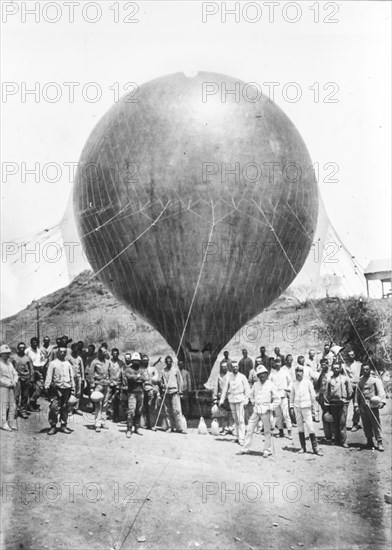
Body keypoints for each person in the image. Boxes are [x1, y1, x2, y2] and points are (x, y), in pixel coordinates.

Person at [242, 365, 279, 457]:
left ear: (267, 374)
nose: (261, 376)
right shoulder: (256, 384)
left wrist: (270, 406)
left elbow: (277, 399)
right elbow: (250, 394)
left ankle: (267, 450)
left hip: (266, 410)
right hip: (257, 409)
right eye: (259, 375)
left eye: (263, 374)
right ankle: (245, 448)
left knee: (267, 431)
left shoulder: (271, 385)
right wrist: (252, 401)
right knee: (250, 428)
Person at [290, 365, 322, 456]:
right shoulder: (294, 383)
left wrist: (311, 406)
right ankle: (303, 447)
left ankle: (315, 448)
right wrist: (291, 407)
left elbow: (313, 395)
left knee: (310, 427)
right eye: (297, 372)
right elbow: (291, 396)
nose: (298, 373)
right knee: (300, 427)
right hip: (297, 407)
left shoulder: (308, 382)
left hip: (306, 407)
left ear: (303, 373)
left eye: (300, 371)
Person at [355, 365, 386, 451]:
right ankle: (369, 441)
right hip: (363, 406)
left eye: (367, 369)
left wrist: (382, 402)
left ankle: (379, 442)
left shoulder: (375, 380)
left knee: (375, 423)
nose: (365, 371)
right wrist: (356, 405)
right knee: (366, 424)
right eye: (363, 369)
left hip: (373, 405)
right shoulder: (360, 380)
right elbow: (357, 394)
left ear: (370, 370)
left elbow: (381, 391)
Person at [44, 347, 75, 435]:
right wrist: (47, 386)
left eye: (64, 352)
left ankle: (63, 426)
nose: (62, 353)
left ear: (66, 353)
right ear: (58, 353)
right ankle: (53, 426)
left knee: (65, 408)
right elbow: (49, 375)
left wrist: (73, 389)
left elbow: (72, 376)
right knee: (54, 407)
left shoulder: (68, 364)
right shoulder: (53, 363)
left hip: (67, 388)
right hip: (56, 389)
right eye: (60, 352)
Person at [219, 360, 250, 446]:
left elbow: (247, 389)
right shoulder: (229, 377)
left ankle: (242, 439)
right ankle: (238, 437)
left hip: (240, 400)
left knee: (241, 419)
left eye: (236, 367)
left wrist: (246, 400)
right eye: (233, 367)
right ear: (231, 368)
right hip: (232, 399)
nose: (235, 368)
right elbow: (225, 390)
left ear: (238, 367)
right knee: (235, 419)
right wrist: (221, 400)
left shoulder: (242, 377)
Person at [326, 361, 353, 448]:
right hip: (333, 403)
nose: (336, 370)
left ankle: (343, 440)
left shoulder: (345, 378)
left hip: (343, 403)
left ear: (340, 368)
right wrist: (328, 401)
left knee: (342, 422)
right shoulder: (330, 379)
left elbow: (350, 390)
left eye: (338, 368)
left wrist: (347, 399)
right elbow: (327, 391)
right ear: (332, 369)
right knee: (335, 422)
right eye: (334, 368)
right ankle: (336, 439)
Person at [123, 352, 148, 438]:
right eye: (134, 360)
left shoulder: (142, 369)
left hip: (141, 392)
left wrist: (136, 378)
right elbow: (128, 377)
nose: (136, 362)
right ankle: (129, 429)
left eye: (137, 361)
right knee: (131, 411)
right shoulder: (128, 369)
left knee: (139, 410)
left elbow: (145, 378)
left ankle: (137, 427)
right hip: (132, 393)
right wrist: (138, 377)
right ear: (132, 361)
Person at [160, 356, 186, 433]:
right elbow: (161, 381)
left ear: (172, 362)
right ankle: (170, 427)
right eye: (167, 361)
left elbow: (180, 381)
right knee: (167, 411)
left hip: (174, 391)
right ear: (165, 362)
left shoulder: (175, 370)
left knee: (176, 410)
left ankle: (179, 427)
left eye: (169, 361)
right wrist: (162, 386)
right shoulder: (163, 371)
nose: (168, 362)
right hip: (166, 392)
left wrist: (180, 391)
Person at [89, 347, 111, 433]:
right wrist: (91, 387)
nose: (106, 354)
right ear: (100, 353)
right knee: (98, 404)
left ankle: (103, 421)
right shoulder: (94, 362)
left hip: (106, 385)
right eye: (104, 352)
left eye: (106, 352)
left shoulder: (107, 362)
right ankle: (97, 424)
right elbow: (91, 375)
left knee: (105, 404)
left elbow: (109, 372)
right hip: (98, 385)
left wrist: (109, 381)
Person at [270, 357, 292, 439]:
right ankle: (281, 431)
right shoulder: (272, 374)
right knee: (278, 415)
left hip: (283, 396)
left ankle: (289, 432)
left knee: (286, 414)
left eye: (279, 362)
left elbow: (290, 381)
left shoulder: (285, 372)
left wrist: (288, 388)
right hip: (276, 397)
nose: (277, 364)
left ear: (281, 363)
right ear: (274, 364)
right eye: (276, 362)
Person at [11, 342, 33, 419]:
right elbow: (10, 367)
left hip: (26, 378)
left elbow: (31, 369)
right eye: (20, 347)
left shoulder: (27, 358)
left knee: (25, 395)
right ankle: (15, 410)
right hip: (17, 378)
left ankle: (23, 410)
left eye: (23, 347)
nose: (22, 349)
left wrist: (31, 379)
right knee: (16, 395)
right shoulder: (13, 357)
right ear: (18, 348)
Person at [0, 345, 19, 431]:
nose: (7, 355)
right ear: (1, 354)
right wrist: (8, 384)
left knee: (13, 405)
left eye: (8, 354)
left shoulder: (9, 364)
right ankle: (3, 423)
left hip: (11, 386)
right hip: (3, 387)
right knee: (3, 405)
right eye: (5, 354)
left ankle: (11, 422)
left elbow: (15, 373)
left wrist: (14, 381)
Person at [25, 337, 46, 411]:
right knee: (31, 388)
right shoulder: (27, 351)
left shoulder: (39, 351)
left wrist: (42, 366)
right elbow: (25, 361)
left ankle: (32, 402)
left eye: (36, 342)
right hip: (31, 371)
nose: (35, 343)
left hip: (39, 370)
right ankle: (30, 405)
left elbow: (43, 359)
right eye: (33, 341)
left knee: (40, 388)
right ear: (31, 342)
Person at [314, 358, 333, 441]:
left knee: (332, 416)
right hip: (323, 398)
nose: (323, 366)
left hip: (331, 398)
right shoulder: (321, 374)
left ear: (328, 364)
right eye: (322, 365)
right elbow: (317, 386)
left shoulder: (332, 373)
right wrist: (317, 395)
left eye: (325, 364)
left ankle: (334, 434)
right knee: (325, 415)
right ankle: (327, 435)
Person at [345, 350, 362, 432]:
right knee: (345, 405)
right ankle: (342, 424)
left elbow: (362, 375)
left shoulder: (359, 364)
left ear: (354, 355)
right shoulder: (345, 365)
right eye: (349, 355)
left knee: (356, 406)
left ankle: (355, 424)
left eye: (352, 355)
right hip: (348, 387)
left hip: (357, 386)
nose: (350, 356)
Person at [142, 354, 161, 430]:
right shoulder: (141, 369)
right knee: (143, 407)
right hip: (142, 390)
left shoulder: (153, 369)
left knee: (152, 407)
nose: (145, 361)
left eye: (146, 360)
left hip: (150, 389)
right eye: (144, 360)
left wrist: (156, 389)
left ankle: (152, 424)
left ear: (148, 360)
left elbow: (157, 379)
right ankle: (145, 424)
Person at [213, 361, 232, 434]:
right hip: (221, 398)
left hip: (229, 397)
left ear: (227, 367)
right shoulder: (219, 376)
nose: (224, 368)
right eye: (222, 367)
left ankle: (231, 428)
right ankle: (225, 429)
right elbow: (216, 387)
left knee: (231, 413)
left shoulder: (230, 375)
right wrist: (215, 398)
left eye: (225, 366)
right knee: (224, 414)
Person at [108, 348, 124, 422]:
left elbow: (122, 374)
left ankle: (116, 416)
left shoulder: (121, 363)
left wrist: (120, 384)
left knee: (117, 400)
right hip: (109, 383)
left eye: (116, 353)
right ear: (111, 354)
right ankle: (108, 414)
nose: (115, 355)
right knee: (108, 399)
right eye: (113, 353)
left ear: (118, 354)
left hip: (117, 384)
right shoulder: (108, 362)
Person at [68, 343, 85, 413]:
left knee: (78, 392)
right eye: (74, 349)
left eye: (77, 349)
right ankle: (70, 409)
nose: (76, 350)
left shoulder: (79, 358)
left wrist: (83, 378)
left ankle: (76, 407)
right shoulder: (68, 358)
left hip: (78, 377)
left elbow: (82, 368)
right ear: (72, 349)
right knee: (72, 392)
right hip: (71, 377)